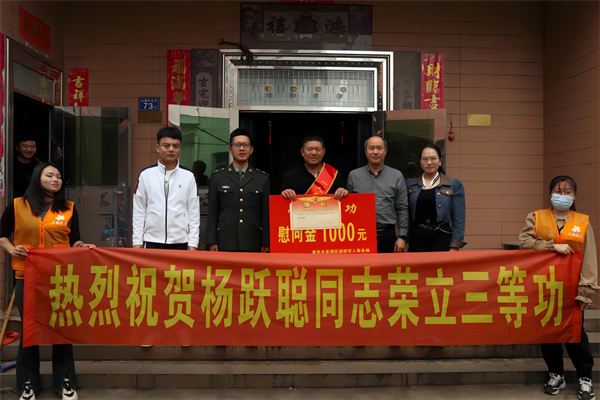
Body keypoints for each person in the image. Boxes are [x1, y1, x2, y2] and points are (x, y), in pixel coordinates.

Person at [0, 161, 95, 400]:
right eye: (50, 175)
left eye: (59, 177)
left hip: (60, 277)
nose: (56, 180)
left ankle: (65, 381)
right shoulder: (17, 206)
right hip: (27, 277)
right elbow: (2, 235)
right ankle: (28, 383)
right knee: (30, 330)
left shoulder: (68, 208)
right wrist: (12, 249)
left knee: (61, 329)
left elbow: (74, 240)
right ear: (37, 178)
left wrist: (81, 246)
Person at [519, 175, 597, 400]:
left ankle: (585, 378)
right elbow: (525, 243)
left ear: (574, 196)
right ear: (550, 194)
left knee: (576, 335)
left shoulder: (582, 222)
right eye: (558, 191)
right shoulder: (536, 217)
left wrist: (586, 290)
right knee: (549, 334)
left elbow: (589, 257)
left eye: (567, 192)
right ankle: (556, 374)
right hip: (544, 287)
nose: (562, 196)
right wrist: (552, 246)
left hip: (572, 289)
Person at [132, 126, 200, 251]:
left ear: (180, 148)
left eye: (175, 146)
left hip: (180, 241)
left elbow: (193, 213)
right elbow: (139, 211)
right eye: (166, 145)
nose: (171, 149)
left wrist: (193, 243)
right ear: (158, 147)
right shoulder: (146, 175)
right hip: (152, 240)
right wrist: (137, 242)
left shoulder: (188, 177)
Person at [206, 128, 270, 252]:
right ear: (230, 149)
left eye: (245, 145)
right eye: (237, 145)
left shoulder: (262, 178)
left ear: (251, 149)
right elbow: (212, 212)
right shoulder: (217, 178)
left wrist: (266, 241)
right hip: (225, 239)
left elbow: (266, 214)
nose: (241, 148)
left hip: (253, 240)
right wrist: (211, 240)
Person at [347, 136, 409, 253]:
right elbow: (349, 209)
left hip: (388, 236)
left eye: (379, 148)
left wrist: (402, 237)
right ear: (365, 151)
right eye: (371, 148)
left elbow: (402, 208)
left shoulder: (396, 176)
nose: (375, 152)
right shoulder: (354, 176)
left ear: (385, 151)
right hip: (361, 235)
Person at [405, 144, 466, 252]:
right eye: (425, 159)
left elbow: (459, 218)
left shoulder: (454, 185)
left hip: (442, 238)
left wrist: (455, 245)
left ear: (440, 161)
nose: (429, 162)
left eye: (433, 158)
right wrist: (404, 240)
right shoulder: (409, 184)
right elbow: (404, 215)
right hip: (416, 238)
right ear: (420, 162)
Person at [280, 135, 348, 200]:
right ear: (302, 152)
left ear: (323, 152)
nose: (313, 153)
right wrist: (286, 193)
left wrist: (343, 192)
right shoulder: (290, 176)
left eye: (318, 149)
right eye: (309, 149)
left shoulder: (335, 175)